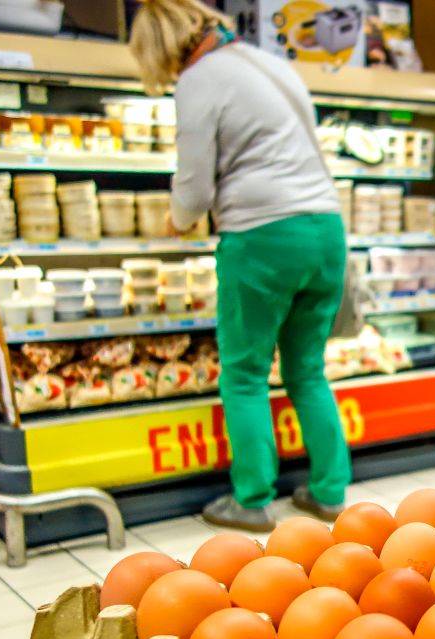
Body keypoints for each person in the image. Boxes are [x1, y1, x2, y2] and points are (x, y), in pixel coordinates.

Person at [129, 0, 351, 531]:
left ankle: (251, 501)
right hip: (325, 229)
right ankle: (329, 492)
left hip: (262, 236)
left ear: (161, 47)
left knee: (246, 374)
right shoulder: (268, 62)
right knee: (307, 371)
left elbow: (195, 186)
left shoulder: (199, 80)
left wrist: (176, 221)